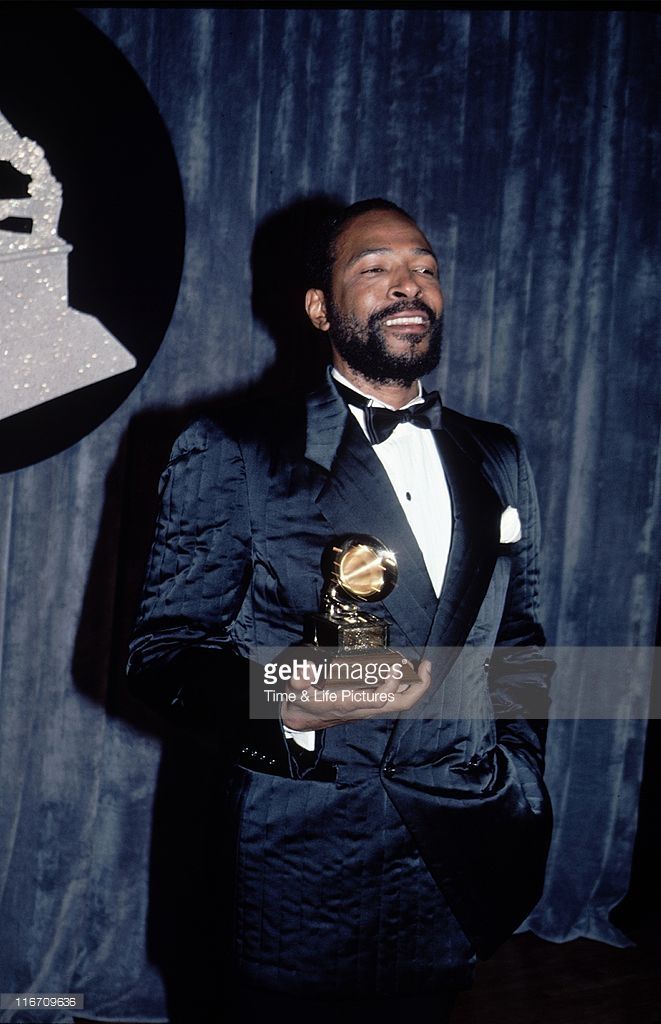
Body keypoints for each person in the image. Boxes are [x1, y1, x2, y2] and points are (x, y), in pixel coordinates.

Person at [127, 198, 553, 1022]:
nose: (408, 285)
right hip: (294, 860)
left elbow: (520, 639)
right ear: (320, 308)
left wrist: (518, 773)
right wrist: (280, 699)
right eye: (374, 268)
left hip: (452, 846)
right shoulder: (234, 447)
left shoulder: (497, 453)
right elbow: (163, 654)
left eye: (424, 268)